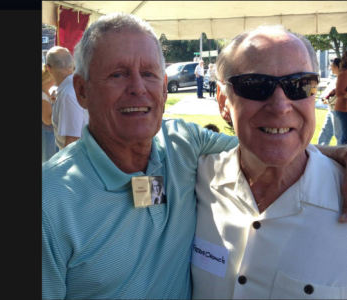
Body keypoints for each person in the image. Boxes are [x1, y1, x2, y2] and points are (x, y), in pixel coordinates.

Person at [42, 13, 347, 300]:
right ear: (82, 91)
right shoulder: (49, 202)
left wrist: (339, 156)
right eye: (117, 74)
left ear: (163, 88)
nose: (137, 88)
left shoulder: (182, 146)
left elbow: (264, 140)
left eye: (148, 74)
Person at [192, 25, 347, 299]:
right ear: (222, 101)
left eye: (299, 85)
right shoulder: (192, 179)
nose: (280, 105)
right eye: (255, 86)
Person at [46, 46, 89, 150]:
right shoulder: (70, 87)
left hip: (78, 159)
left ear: (48, 68)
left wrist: (63, 166)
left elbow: (72, 139)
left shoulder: (69, 93)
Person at [317, 58, 342, 145]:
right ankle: (320, 150)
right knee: (326, 131)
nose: (330, 68)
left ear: (337, 66)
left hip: (337, 111)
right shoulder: (336, 78)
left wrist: (326, 100)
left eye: (331, 66)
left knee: (340, 135)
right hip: (331, 110)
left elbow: (337, 95)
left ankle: (341, 155)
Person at [42, 64, 58, 162]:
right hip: (48, 135)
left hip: (51, 134)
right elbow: (47, 120)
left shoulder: (46, 93)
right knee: (49, 161)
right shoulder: (43, 95)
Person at [334, 51, 347, 144]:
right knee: (345, 138)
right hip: (343, 110)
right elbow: (339, 93)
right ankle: (341, 157)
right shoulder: (344, 73)